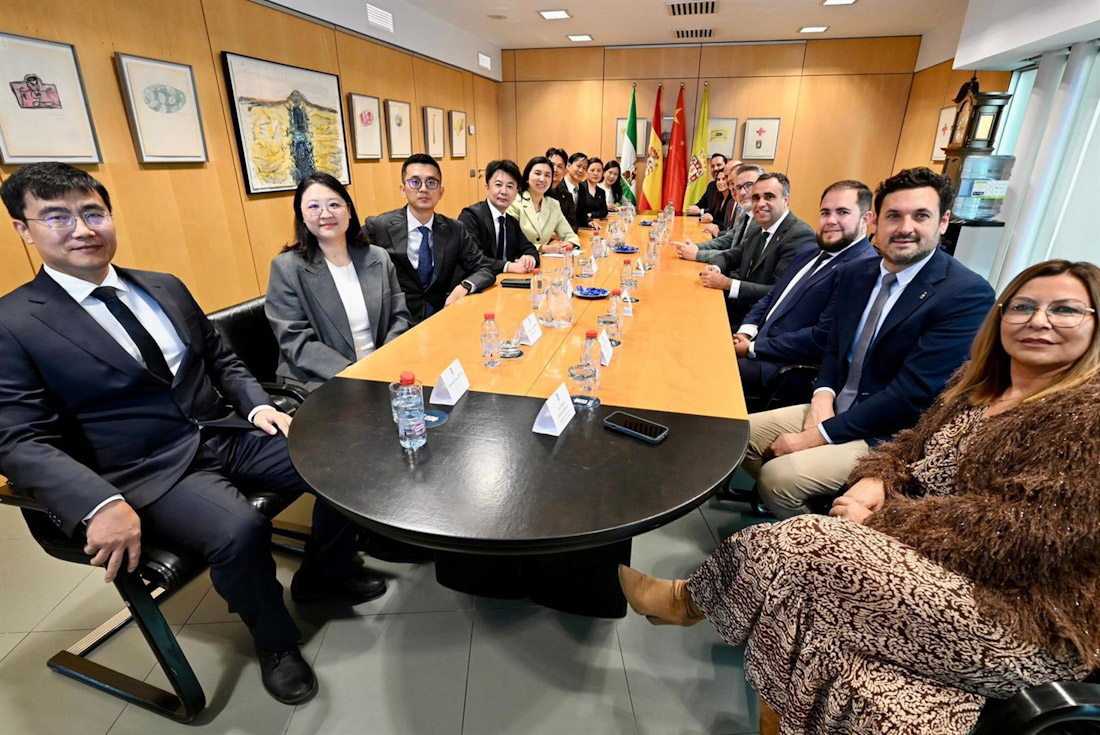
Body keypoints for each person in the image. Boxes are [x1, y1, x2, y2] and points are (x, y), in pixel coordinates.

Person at [619, 258, 1100, 735]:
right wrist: (879, 478)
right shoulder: (981, 384)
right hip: (940, 562)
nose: (1039, 321)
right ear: (1001, 318)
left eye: (1065, 310)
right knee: (806, 610)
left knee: (807, 543)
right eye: (1023, 307)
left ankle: (687, 601)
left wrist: (885, 519)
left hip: (1020, 614)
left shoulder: (1087, 416)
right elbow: (913, 443)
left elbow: (1024, 534)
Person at [0, 162, 384, 705]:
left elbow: (222, 359)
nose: (82, 230)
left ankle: (325, 574)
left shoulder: (162, 286)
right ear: (23, 229)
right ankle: (276, 643)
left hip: (222, 430)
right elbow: (17, 440)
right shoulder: (13, 322)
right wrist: (98, 501)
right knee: (240, 530)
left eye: (93, 213)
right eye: (56, 217)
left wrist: (256, 407)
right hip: (146, 470)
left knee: (345, 460)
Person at [744, 167, 995, 518]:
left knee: (778, 478)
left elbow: (913, 395)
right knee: (736, 436)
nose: (905, 228)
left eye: (921, 215)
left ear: (943, 221)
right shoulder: (856, 274)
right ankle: (816, 512)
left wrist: (818, 436)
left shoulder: (965, 293)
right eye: (894, 216)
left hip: (889, 433)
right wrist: (822, 396)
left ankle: (820, 546)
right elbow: (834, 346)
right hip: (835, 407)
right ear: (876, 220)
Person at [734, 180, 878, 411]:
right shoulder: (810, 251)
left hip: (783, 367)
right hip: (757, 344)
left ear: (866, 219)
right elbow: (772, 297)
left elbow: (820, 338)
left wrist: (752, 347)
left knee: (708, 370)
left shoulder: (863, 268)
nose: (831, 221)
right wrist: (746, 331)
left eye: (842, 212)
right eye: (825, 212)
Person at [265, 173, 412, 392]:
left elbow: (399, 317)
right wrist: (356, 373)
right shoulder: (287, 268)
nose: (326, 214)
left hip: (382, 370)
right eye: (313, 207)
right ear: (302, 216)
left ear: (349, 211)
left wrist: (382, 363)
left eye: (334, 204)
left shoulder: (378, 258)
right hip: (321, 379)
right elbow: (295, 340)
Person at [364, 154, 495, 324]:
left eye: (431, 183)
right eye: (415, 182)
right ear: (403, 189)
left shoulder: (455, 229)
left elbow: (484, 268)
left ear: (441, 192)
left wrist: (464, 287)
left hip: (442, 317)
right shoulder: (379, 226)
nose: (423, 189)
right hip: (397, 322)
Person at [696, 172, 817, 325]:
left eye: (769, 197)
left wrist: (727, 283)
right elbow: (729, 256)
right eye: (756, 198)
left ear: (786, 200)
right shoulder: (757, 228)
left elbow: (779, 291)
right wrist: (715, 269)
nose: (760, 203)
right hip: (739, 308)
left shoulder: (800, 235)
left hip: (761, 323)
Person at [678, 163, 763, 258]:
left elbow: (739, 255)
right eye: (737, 187)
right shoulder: (747, 213)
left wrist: (697, 254)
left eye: (749, 185)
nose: (742, 192)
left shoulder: (762, 219)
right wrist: (696, 247)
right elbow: (729, 239)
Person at [508, 156, 580, 254]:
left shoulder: (553, 204)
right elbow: (511, 241)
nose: (542, 179)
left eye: (547, 175)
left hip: (544, 261)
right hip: (518, 261)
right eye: (537, 173)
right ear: (527, 178)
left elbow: (570, 235)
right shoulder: (514, 202)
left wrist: (569, 243)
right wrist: (543, 248)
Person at [544, 147, 578, 233]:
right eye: (551, 165)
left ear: (565, 171)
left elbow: (573, 225)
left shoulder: (567, 196)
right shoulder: (537, 193)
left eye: (559, 166)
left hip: (560, 242)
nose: (555, 169)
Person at [576, 156, 609, 228]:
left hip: (597, 225)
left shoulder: (601, 192)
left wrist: (591, 214)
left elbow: (604, 211)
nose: (595, 173)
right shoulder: (579, 187)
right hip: (581, 225)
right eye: (592, 170)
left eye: (599, 171)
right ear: (586, 171)